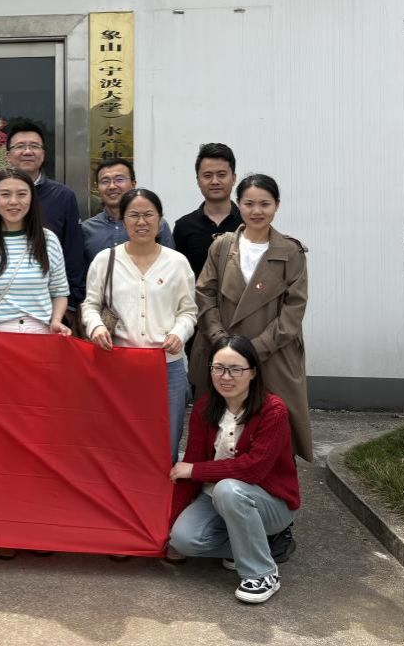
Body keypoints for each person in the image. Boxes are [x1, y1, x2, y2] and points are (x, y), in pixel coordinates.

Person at [0, 168, 71, 560]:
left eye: (21, 194)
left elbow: (60, 290)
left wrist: (57, 320)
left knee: (40, 438)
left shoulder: (48, 240)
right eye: (5, 194)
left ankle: (39, 525)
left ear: (31, 198)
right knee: (1, 439)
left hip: (40, 344)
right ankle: (4, 526)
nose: (13, 201)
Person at [167, 336, 299, 604]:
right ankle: (260, 545)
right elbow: (189, 467)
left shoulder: (273, 411)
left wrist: (195, 471)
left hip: (269, 502)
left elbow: (252, 471)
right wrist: (168, 528)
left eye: (236, 369)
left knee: (228, 489)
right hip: (215, 497)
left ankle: (262, 573)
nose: (225, 377)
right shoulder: (205, 407)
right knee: (183, 540)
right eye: (218, 368)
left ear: (253, 372)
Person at [190, 173, 312, 461]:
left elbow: (294, 309)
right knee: (218, 422)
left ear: (277, 205)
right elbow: (204, 294)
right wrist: (222, 342)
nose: (257, 211)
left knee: (273, 424)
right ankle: (214, 478)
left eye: (265, 204)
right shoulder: (222, 246)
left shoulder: (290, 252)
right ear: (239, 204)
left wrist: (254, 351)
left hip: (273, 354)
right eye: (249, 203)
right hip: (222, 351)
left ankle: (273, 483)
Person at [81, 188, 196, 462]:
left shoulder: (177, 263)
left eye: (148, 215)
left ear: (160, 219)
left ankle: (163, 486)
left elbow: (189, 311)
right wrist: (96, 327)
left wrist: (179, 333)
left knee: (167, 437)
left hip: (166, 365)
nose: (141, 222)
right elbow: (90, 304)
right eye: (134, 215)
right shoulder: (105, 260)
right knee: (120, 436)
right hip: (120, 363)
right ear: (123, 219)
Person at [0, 120, 85, 310]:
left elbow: (73, 252)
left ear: (43, 154)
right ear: (8, 156)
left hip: (51, 305)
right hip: (2, 305)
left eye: (34, 146)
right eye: (20, 146)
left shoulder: (63, 196)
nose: (27, 151)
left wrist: (70, 304)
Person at [81, 157, 175, 267]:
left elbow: (170, 266)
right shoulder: (86, 229)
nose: (112, 186)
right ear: (97, 187)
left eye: (119, 179)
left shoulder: (156, 224)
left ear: (133, 184)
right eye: (105, 181)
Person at [173, 143, 242, 278]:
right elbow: (178, 276)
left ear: (233, 178)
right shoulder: (183, 226)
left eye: (221, 175)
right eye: (207, 175)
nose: (215, 181)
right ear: (198, 180)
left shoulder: (247, 222)